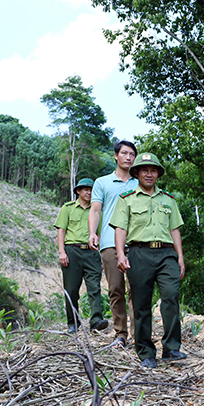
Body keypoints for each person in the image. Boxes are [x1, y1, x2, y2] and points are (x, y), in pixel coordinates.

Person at [109, 153, 186, 368]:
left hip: (166, 254)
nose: (149, 174)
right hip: (138, 253)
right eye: (145, 170)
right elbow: (120, 229)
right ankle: (146, 352)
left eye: (153, 170)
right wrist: (121, 255)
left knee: (171, 296)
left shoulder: (168, 199)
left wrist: (180, 257)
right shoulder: (126, 199)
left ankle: (171, 348)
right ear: (137, 173)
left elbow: (175, 229)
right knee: (141, 303)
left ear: (158, 174)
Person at [89, 140, 139, 347]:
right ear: (116, 156)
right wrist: (93, 232)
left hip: (137, 241)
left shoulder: (139, 182)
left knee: (137, 288)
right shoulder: (102, 182)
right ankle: (121, 334)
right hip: (109, 241)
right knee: (116, 288)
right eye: (125, 153)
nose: (129, 157)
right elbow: (95, 210)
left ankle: (139, 334)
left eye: (132, 154)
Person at [54, 178, 110, 334]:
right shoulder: (68, 208)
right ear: (78, 191)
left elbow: (100, 234)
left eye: (92, 189)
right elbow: (61, 230)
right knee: (71, 290)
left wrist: (101, 256)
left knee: (94, 288)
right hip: (72, 251)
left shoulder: (97, 211)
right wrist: (61, 252)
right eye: (85, 189)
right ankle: (73, 323)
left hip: (92, 252)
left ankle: (96, 321)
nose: (89, 192)